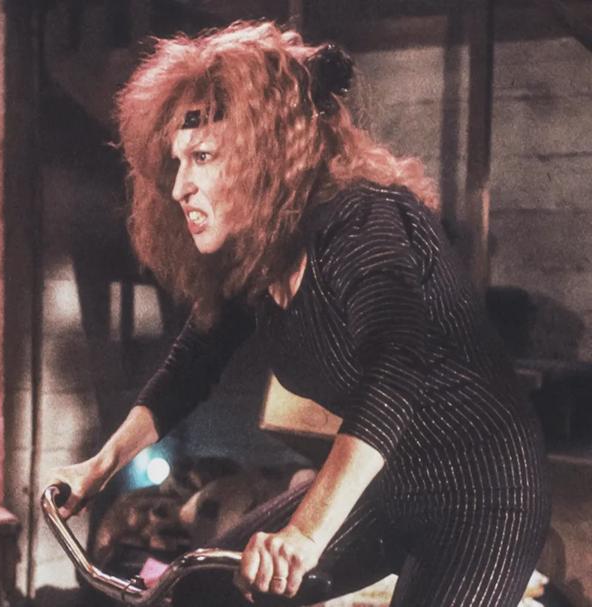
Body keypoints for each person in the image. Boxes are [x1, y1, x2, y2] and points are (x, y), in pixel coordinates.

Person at [50, 20, 549, 607]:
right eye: (178, 161)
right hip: (388, 483)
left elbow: (395, 369)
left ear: (266, 152)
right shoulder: (263, 254)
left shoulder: (364, 219)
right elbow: (192, 364)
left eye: (203, 156)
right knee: (198, 590)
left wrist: (306, 534)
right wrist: (99, 467)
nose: (180, 186)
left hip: (485, 492)